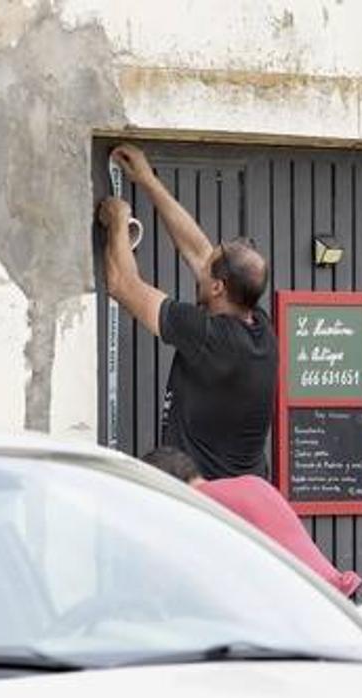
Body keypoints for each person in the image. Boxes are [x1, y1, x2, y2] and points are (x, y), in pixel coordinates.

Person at [97, 144, 276, 479]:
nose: (204, 256)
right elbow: (198, 250)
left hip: (207, 498)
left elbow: (121, 283)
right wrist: (148, 180)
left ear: (218, 288)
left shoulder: (210, 337)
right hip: (243, 493)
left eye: (210, 266)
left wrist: (118, 223)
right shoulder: (259, 328)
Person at [141, 447, 362, 598]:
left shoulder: (202, 506)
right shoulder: (252, 483)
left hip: (308, 606)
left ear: (166, 486)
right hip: (337, 595)